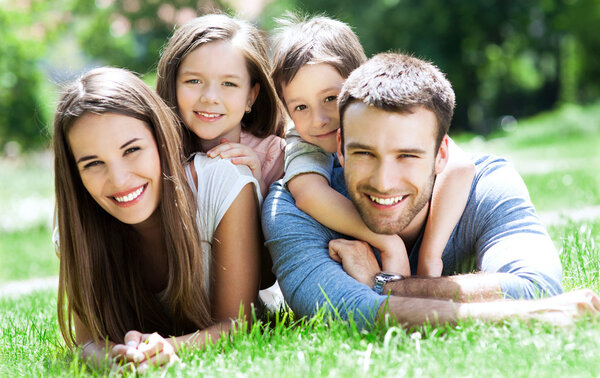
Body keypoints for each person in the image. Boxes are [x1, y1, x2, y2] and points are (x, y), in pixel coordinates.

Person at [263, 52, 600, 328]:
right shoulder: (291, 207)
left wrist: (386, 285)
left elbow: (537, 285)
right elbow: (346, 311)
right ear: (340, 147)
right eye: (364, 153)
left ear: (442, 154)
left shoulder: (487, 184)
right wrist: (521, 313)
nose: (384, 181)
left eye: (407, 155)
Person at [54, 67, 262, 370]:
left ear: (160, 137)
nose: (120, 179)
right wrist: (113, 356)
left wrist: (168, 347)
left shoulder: (223, 184)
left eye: (132, 150)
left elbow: (239, 324)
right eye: (93, 163)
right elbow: (87, 341)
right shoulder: (75, 224)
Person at [270, 14, 475, 277]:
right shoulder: (301, 143)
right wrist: (388, 243)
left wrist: (430, 255)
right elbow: (309, 195)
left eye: (330, 98)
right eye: (301, 107)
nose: (319, 120)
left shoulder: (384, 115)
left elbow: (459, 166)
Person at [157, 13, 286, 199]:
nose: (210, 98)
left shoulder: (273, 156)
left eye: (228, 84)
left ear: (251, 95)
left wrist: (257, 182)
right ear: (172, 84)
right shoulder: (153, 152)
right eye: (194, 81)